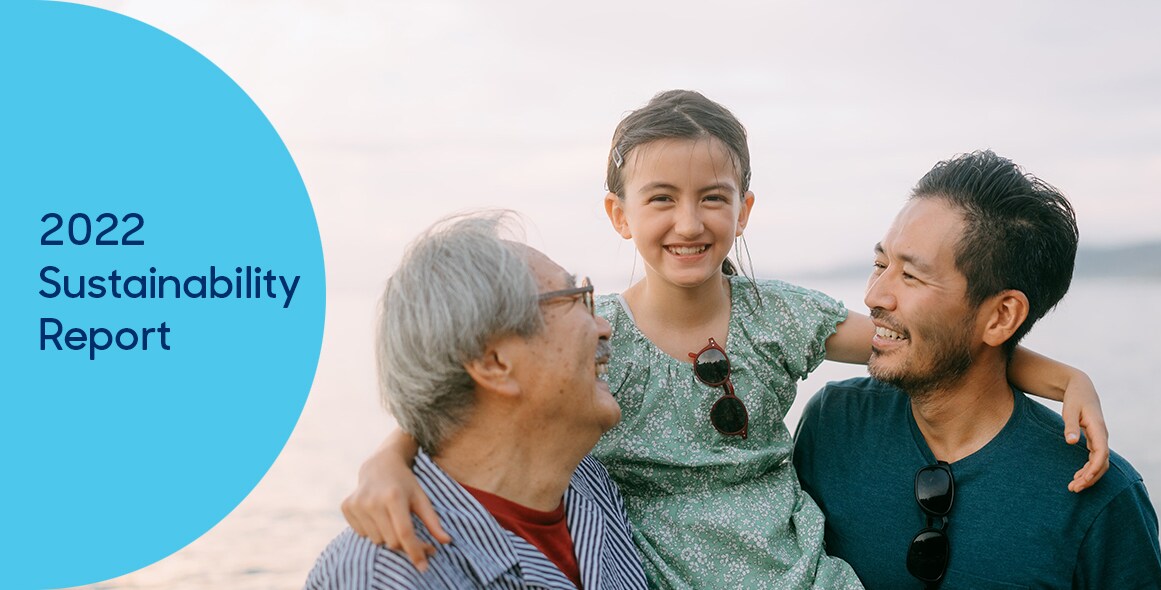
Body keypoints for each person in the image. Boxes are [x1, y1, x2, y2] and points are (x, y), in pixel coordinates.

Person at [343, 92, 1112, 588]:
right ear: (619, 215)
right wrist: (392, 452)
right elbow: (490, 395)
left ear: (744, 210)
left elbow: (912, 341)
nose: (689, 222)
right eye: (661, 199)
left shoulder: (778, 319)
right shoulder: (596, 334)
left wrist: (1057, 377)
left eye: (713, 198)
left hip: (800, 575)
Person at [793, 151, 1161, 589]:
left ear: (1001, 317)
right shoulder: (836, 422)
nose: (875, 295)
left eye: (911, 276)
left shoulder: (1099, 495)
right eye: (880, 264)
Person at [306, 213, 647, 589]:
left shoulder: (589, 487)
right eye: (576, 299)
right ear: (493, 361)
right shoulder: (388, 575)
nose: (605, 326)